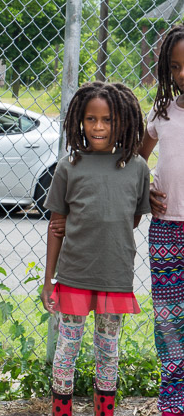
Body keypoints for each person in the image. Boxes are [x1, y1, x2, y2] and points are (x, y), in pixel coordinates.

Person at [40, 82, 150, 416]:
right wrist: (49, 280)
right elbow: (56, 226)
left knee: (108, 350)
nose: (98, 127)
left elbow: (129, 219)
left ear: (123, 121)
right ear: (80, 121)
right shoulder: (68, 167)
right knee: (66, 349)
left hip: (114, 276)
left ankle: (105, 412)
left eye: (107, 119)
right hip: (73, 275)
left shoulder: (137, 168)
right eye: (91, 119)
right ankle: (62, 411)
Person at [139, 24, 184, 416]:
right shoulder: (162, 111)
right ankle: (173, 399)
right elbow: (139, 158)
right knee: (169, 318)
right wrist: (145, 191)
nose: (183, 73)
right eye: (175, 67)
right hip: (167, 228)